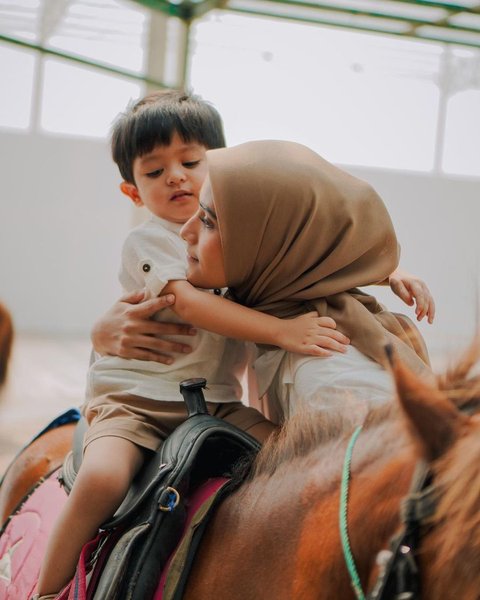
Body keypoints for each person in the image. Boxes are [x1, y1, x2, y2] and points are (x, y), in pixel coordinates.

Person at [34, 91, 349, 599]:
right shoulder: (152, 240)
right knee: (103, 480)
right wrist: (282, 332)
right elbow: (188, 303)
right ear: (133, 192)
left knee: (295, 454)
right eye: (154, 172)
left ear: (220, 167)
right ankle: (48, 589)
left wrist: (389, 272)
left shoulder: (239, 238)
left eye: (190, 161)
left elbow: (312, 249)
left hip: (214, 401)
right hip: (136, 401)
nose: (176, 176)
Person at [180, 140, 434, 420]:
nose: (184, 231)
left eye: (207, 221)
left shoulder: (329, 380)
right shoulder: (272, 308)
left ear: (270, 247)